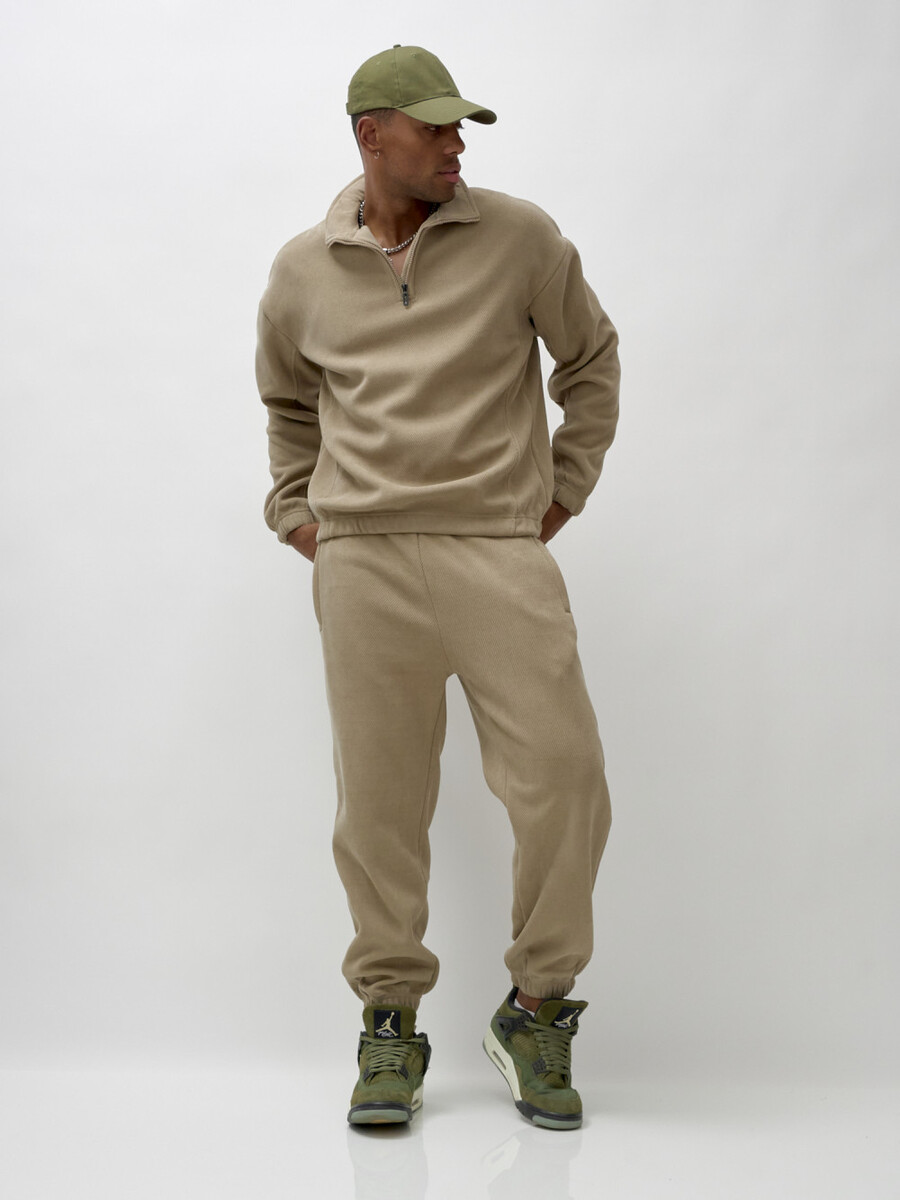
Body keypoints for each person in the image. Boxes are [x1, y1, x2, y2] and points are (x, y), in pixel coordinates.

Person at [256, 44, 620, 1131]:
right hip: (362, 560)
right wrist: (301, 515)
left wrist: (560, 493)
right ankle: (390, 1021)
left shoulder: (520, 239)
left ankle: (536, 1008)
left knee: (563, 778)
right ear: (372, 135)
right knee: (378, 806)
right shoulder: (302, 270)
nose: (457, 144)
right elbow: (287, 403)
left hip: (496, 549)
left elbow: (591, 361)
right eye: (435, 127)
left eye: (462, 127)